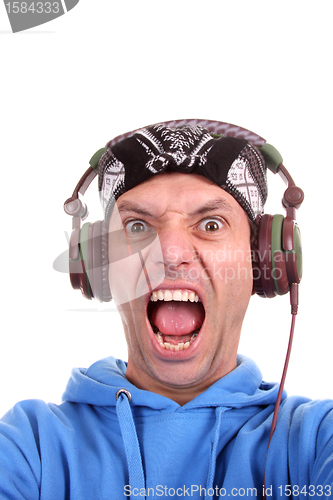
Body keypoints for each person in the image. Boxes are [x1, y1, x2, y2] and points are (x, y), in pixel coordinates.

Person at [0, 119, 332, 500]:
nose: (170, 254)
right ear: (99, 266)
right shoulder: (30, 448)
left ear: (261, 262)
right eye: (138, 226)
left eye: (210, 224)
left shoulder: (316, 441)